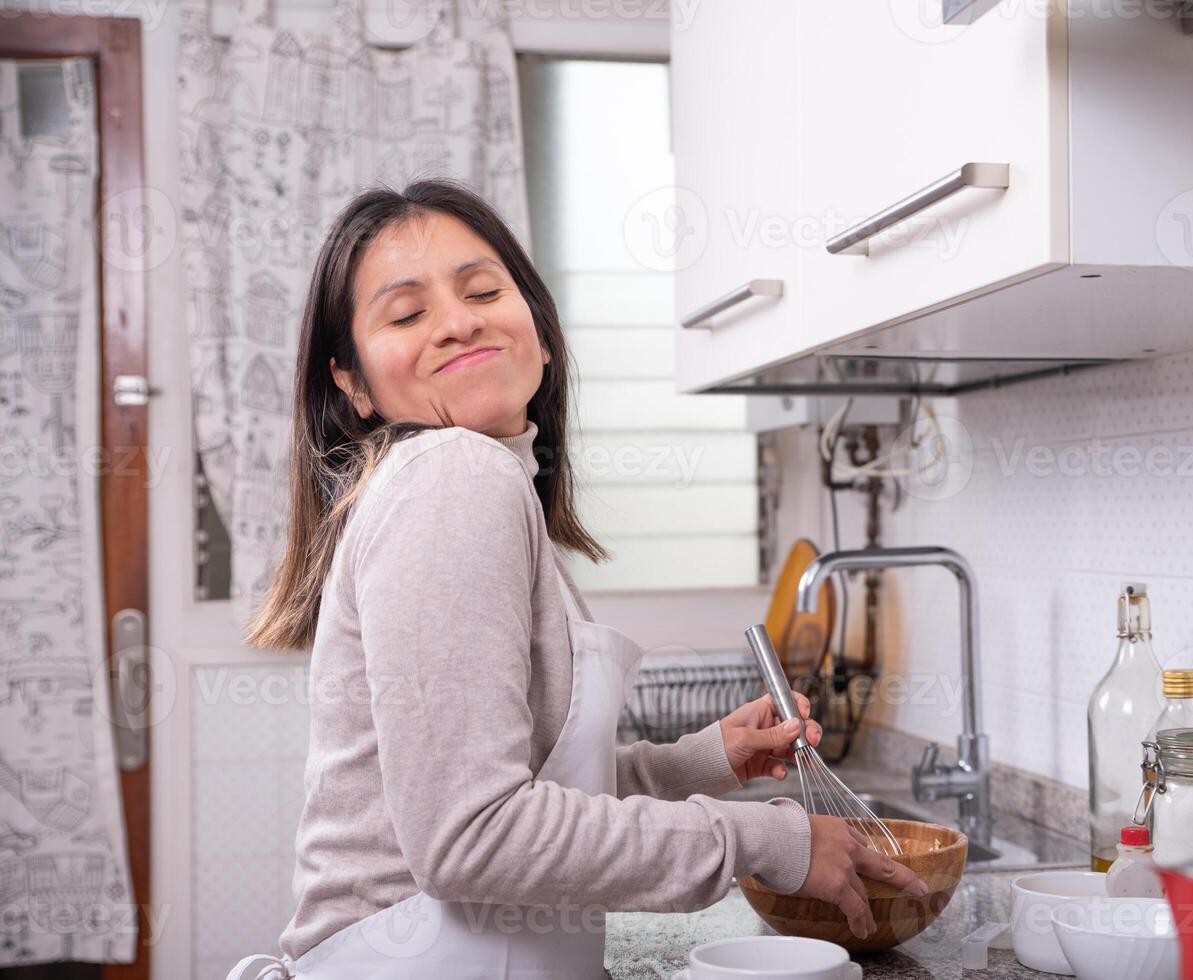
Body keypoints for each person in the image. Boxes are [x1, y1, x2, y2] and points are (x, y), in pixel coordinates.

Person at [225, 178, 926, 980]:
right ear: (352, 384)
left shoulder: (481, 487)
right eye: (408, 313)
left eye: (484, 290)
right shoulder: (453, 476)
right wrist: (767, 840)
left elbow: (526, 790)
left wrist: (702, 761)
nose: (458, 322)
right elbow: (476, 838)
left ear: (541, 334)